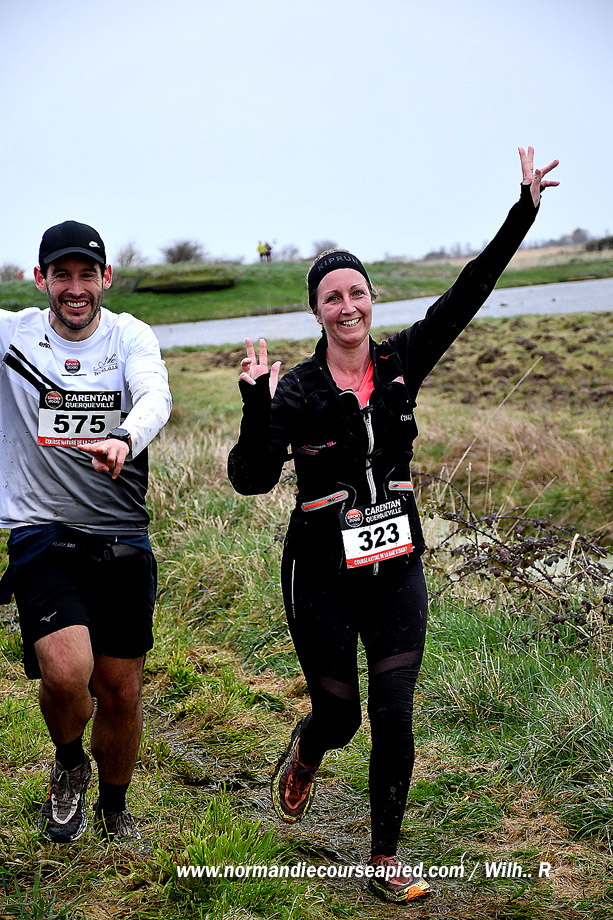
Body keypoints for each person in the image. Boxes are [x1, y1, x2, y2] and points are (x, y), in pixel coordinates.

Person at [228, 147, 559, 904]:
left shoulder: (403, 360)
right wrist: (254, 406)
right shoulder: (298, 390)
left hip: (397, 562)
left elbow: (469, 290)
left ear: (372, 300)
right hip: (321, 573)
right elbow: (251, 478)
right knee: (341, 715)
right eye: (332, 298)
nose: (347, 306)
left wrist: (522, 211)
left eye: (357, 293)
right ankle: (309, 747)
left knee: (394, 713)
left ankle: (383, 859)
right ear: (316, 311)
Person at [0, 220, 172, 845]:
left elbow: (155, 395)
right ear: (40, 279)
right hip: (42, 532)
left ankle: (114, 808)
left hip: (120, 533)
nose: (75, 288)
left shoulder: (130, 336)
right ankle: (70, 763)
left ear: (107, 278)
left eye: (87, 275)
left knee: (120, 691)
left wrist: (125, 436)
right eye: (62, 275)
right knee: (68, 671)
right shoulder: (14, 335)